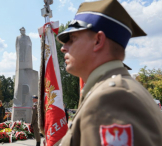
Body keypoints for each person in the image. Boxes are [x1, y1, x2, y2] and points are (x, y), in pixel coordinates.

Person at [56, 0, 162, 145]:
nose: (63, 48)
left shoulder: (110, 98)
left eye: (72, 39)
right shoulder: (116, 90)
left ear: (98, 41)